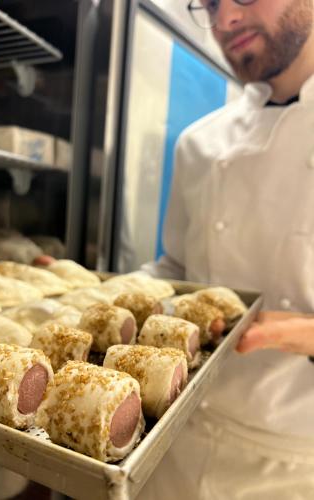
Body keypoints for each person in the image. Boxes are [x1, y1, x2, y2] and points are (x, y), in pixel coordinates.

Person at [137, 0, 314, 499]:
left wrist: (303, 333)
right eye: (209, 5)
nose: (225, 21)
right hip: (171, 435)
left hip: (291, 463)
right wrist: (88, 294)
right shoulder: (200, 142)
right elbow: (175, 268)